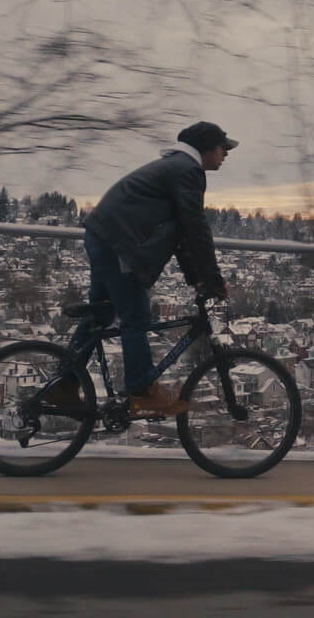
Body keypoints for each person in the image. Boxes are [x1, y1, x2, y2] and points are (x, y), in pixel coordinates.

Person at [65, 122, 235, 418]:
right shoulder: (187, 171)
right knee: (137, 316)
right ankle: (141, 391)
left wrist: (197, 279)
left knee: (102, 313)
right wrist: (214, 280)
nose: (226, 155)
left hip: (104, 237)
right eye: (224, 148)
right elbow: (196, 229)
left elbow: (181, 233)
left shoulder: (176, 167)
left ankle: (62, 386)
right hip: (117, 244)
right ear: (207, 147)